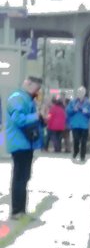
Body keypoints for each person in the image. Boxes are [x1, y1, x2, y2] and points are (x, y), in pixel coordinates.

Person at [5, 76, 44, 219]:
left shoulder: (26, 99)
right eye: (36, 88)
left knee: (24, 177)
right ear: (28, 83)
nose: (37, 91)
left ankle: (21, 209)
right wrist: (36, 116)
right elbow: (18, 119)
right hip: (19, 143)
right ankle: (17, 211)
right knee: (20, 177)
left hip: (27, 143)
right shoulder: (16, 98)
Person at [66, 86, 90, 162]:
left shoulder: (88, 103)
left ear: (84, 93)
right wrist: (73, 110)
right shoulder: (73, 102)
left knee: (83, 142)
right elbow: (68, 111)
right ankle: (75, 152)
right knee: (76, 140)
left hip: (84, 125)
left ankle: (82, 156)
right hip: (75, 125)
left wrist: (86, 112)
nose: (80, 94)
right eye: (79, 92)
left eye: (82, 92)